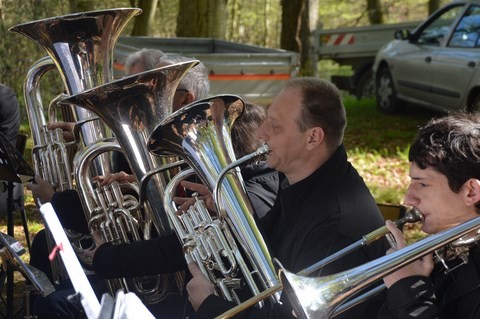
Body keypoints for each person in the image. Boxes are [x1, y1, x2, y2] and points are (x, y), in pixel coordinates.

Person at [181, 77, 388, 319]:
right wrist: (233, 216)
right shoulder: (300, 182)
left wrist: (209, 308)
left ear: (313, 138)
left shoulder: (335, 229)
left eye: (275, 126)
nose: (260, 133)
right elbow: (275, 254)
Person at [378, 113, 480, 319]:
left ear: (471, 192)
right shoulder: (444, 248)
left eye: (422, 184)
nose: (408, 198)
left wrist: (408, 291)